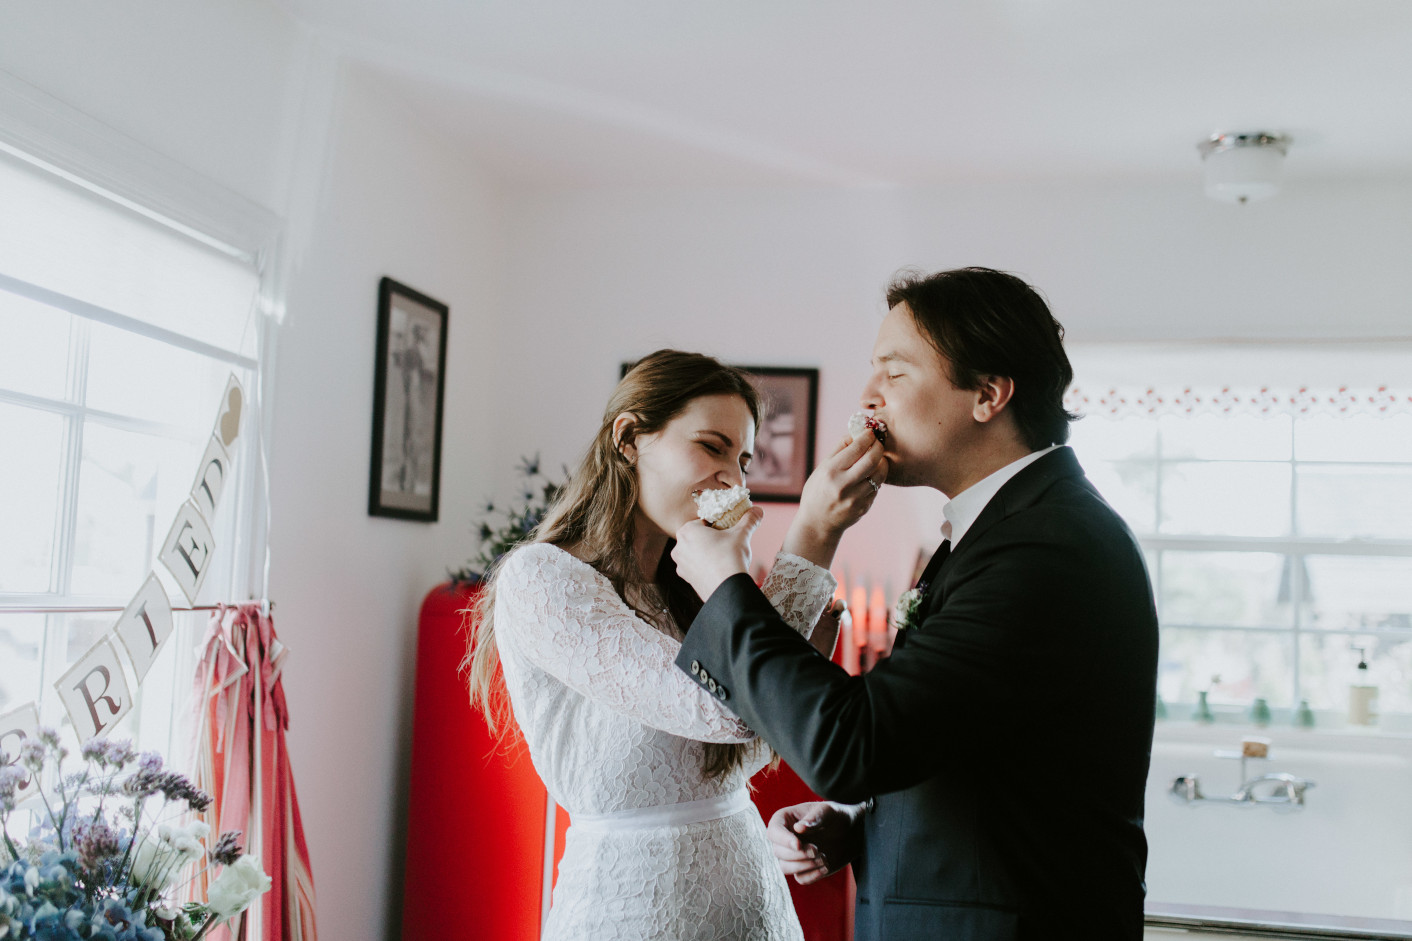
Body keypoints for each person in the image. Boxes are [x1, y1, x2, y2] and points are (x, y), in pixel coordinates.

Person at [671, 267, 1160, 940]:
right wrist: (863, 820)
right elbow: (947, 733)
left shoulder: (1045, 547)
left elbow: (854, 742)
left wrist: (725, 587)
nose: (868, 395)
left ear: (988, 393)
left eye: (894, 374)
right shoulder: (1007, 530)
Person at [463, 349, 880, 941]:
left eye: (741, 460)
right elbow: (723, 707)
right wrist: (814, 534)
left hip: (750, 895)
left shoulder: (690, 585)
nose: (732, 478)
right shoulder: (543, 579)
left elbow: (758, 732)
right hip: (631, 905)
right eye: (711, 447)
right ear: (630, 437)